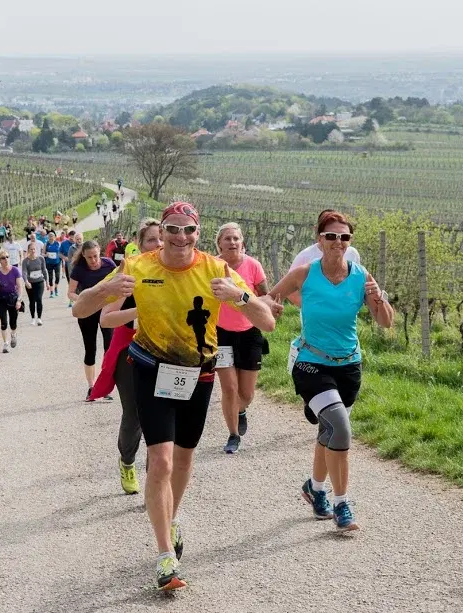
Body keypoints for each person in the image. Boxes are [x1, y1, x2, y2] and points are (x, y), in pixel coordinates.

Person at [71, 202, 275, 591]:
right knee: (160, 461)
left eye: (189, 230)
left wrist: (239, 296)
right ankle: (165, 556)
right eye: (173, 229)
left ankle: (171, 517)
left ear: (199, 233)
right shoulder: (138, 266)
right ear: (161, 231)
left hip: (198, 374)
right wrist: (107, 288)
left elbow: (267, 320)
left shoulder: (216, 269)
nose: (181, 237)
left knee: (183, 460)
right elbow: (82, 308)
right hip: (149, 369)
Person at [268, 210, 394, 531]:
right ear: (319, 239)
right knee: (340, 427)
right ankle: (342, 505)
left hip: (349, 365)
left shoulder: (361, 276)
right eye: (331, 236)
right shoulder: (304, 274)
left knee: (328, 432)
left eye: (344, 237)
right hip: (311, 362)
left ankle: (315, 487)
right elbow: (271, 298)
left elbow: (386, 322)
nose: (338, 242)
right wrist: (270, 307)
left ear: (350, 242)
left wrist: (379, 300)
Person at [91, 218, 162, 496]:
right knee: (134, 415)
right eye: (151, 239)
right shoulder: (129, 272)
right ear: (140, 244)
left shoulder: (179, 271)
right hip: (130, 352)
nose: (157, 244)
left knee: (160, 417)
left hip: (166, 351)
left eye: (161, 238)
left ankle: (154, 481)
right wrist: (140, 314)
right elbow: (106, 319)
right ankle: (127, 461)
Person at [214, 223, 270, 454]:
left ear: (243, 243)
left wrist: (263, 307)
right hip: (220, 334)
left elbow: (266, 296)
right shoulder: (212, 266)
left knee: (246, 394)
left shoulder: (253, 266)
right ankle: (233, 434)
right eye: (227, 238)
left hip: (249, 332)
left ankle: (240, 410)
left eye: (236, 238)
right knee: (229, 388)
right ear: (218, 244)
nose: (232, 242)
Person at [68, 240, 117, 400]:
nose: (94, 260)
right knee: (90, 349)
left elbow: (118, 282)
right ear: (84, 255)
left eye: (96, 256)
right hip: (87, 312)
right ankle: (91, 387)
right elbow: (71, 293)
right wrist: (84, 299)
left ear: (100, 252)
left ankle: (105, 387)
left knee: (109, 348)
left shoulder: (109, 264)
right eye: (90, 257)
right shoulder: (79, 269)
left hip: (106, 312)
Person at [0, 251, 25, 353]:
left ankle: (13, 334)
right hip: (1, 299)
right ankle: (5, 344)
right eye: (3, 258)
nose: (6, 259)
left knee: (13, 322)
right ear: (0, 260)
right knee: (4, 322)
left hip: (13, 298)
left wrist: (19, 300)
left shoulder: (15, 270)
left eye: (7, 257)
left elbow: (20, 287)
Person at [21, 243, 46, 326]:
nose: (33, 251)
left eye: (34, 249)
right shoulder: (25, 261)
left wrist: (48, 282)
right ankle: (32, 318)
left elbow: (44, 270)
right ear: (28, 250)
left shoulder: (41, 259)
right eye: (31, 249)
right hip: (30, 283)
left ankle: (39, 318)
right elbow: (24, 272)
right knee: (32, 301)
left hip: (40, 282)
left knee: (39, 299)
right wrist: (26, 281)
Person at [43, 230, 61, 297]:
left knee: (57, 277)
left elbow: (60, 252)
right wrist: (46, 255)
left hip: (57, 262)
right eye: (50, 236)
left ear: (55, 237)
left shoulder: (58, 243)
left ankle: (56, 288)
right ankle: (51, 291)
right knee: (50, 277)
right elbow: (42, 253)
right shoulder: (46, 244)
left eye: (52, 236)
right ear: (48, 237)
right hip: (49, 263)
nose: (51, 237)